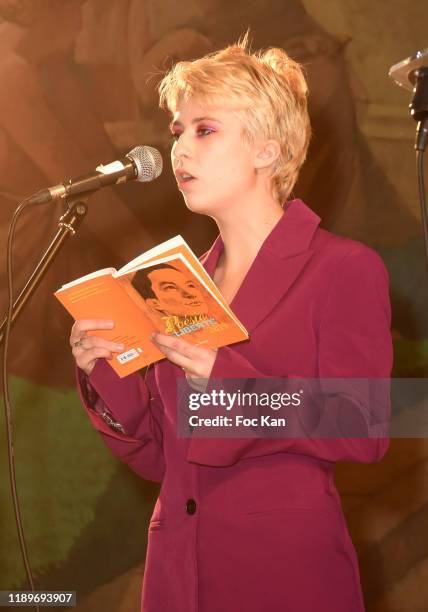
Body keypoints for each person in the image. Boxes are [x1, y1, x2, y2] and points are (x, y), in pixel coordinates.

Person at [70, 36, 392, 612]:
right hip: (176, 577)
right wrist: (105, 369)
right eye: (177, 131)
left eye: (205, 129)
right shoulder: (176, 284)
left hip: (281, 575)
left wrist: (228, 383)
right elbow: (159, 458)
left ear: (268, 150)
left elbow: (364, 425)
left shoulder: (343, 268)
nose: (179, 150)